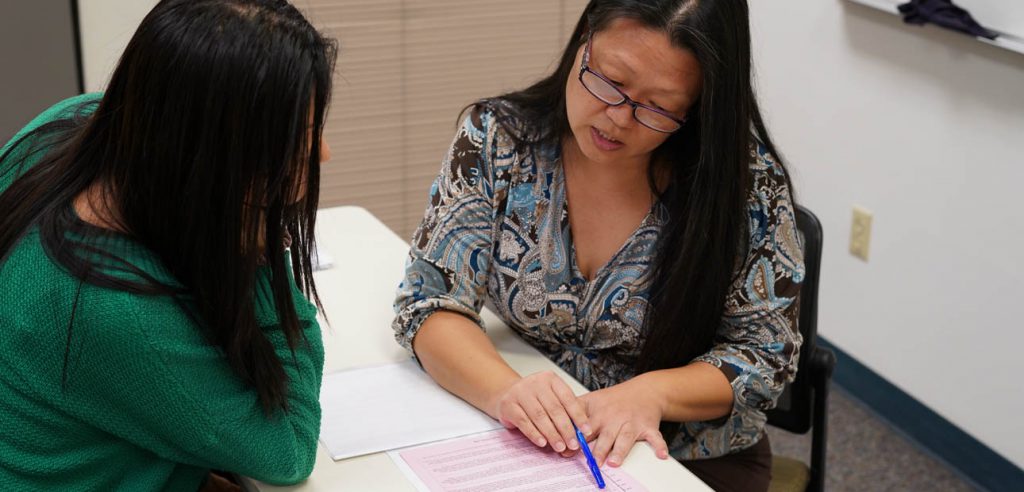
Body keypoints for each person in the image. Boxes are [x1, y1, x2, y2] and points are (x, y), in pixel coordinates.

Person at [393, 1, 804, 490]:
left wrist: (654, 394)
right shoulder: (499, 138)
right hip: (536, 443)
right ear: (585, 39)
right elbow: (431, 302)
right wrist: (507, 394)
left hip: (683, 458)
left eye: (657, 107)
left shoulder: (744, 186)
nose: (617, 119)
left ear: (697, 107)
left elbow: (765, 355)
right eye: (610, 79)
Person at [0, 0, 336, 489]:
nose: (322, 153)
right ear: (217, 160)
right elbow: (287, 446)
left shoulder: (79, 125)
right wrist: (266, 244)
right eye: (298, 139)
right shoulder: (112, 310)